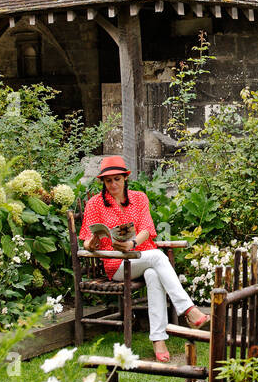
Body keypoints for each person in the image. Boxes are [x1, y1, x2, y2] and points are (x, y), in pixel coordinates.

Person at [79, 155, 208, 363]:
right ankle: (188, 309)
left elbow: (147, 228)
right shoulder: (95, 204)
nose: (113, 184)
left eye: (117, 179)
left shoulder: (139, 198)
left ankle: (158, 340)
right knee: (157, 256)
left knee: (153, 274)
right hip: (117, 264)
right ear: (103, 182)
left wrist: (132, 244)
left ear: (125, 179)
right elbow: (86, 240)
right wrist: (91, 244)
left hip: (140, 255)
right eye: (108, 180)